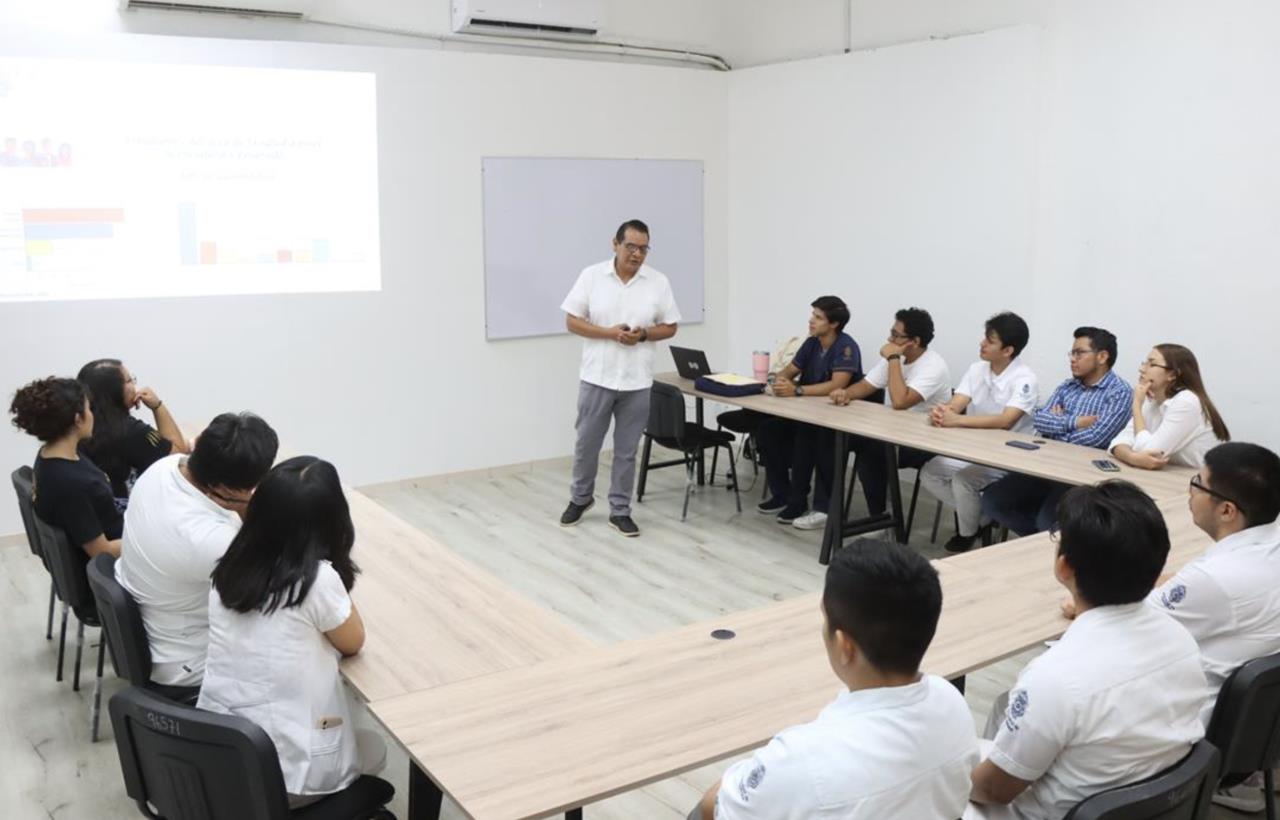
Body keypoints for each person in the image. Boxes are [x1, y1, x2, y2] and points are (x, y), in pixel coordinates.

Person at [965, 481, 1206, 820]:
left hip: (1055, 812)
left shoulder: (1055, 677)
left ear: (1064, 566)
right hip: (1140, 801)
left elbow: (993, 790)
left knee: (928, 779)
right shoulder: (1181, 639)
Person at [696, 540, 979, 820]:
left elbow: (715, 807)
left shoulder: (801, 759)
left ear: (846, 647)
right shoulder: (952, 702)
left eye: (825, 620)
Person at [197, 456, 385, 807]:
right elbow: (353, 642)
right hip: (288, 779)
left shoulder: (228, 569)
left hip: (221, 758)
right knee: (375, 747)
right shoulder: (315, 580)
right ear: (333, 522)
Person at [1146, 442, 1280, 813]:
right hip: (1254, 734)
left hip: (1184, 730)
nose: (1189, 491)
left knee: (1017, 702)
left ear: (1226, 510)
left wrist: (1080, 599)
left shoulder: (1216, 577)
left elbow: (1128, 617)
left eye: (1197, 483)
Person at [116, 412, 278, 688]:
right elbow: (271, 590)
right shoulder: (209, 540)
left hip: (156, 630)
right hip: (188, 664)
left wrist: (239, 501)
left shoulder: (163, 468)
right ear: (228, 489)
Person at [559, 219, 681, 537]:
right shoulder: (592, 276)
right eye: (631, 247)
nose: (637, 254)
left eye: (643, 249)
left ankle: (620, 510)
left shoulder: (658, 282)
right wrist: (609, 333)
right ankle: (580, 498)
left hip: (637, 381)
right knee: (587, 445)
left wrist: (642, 336)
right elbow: (572, 321)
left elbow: (670, 326)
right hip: (597, 377)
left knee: (627, 451)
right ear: (615, 244)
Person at [981, 326, 1132, 535]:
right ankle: (1045, 544)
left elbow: (1095, 438)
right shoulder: (1068, 386)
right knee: (992, 501)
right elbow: (1040, 420)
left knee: (1048, 522)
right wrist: (1076, 422)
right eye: (1072, 353)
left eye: (1079, 353)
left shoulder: (1120, 392)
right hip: (1047, 464)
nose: (1072, 359)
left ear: (1102, 356)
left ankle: (1049, 544)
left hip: (1081, 477)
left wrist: (1058, 423)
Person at [920, 312, 1038, 553]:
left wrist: (957, 421)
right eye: (985, 337)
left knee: (965, 481)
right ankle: (982, 519)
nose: (982, 343)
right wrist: (944, 412)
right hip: (972, 447)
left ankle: (967, 533)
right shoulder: (977, 369)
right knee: (930, 472)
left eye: (990, 340)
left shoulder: (1025, 379)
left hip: (1008, 455)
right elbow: (957, 402)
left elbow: (1006, 421)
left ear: (1008, 350)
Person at [828, 307, 952, 521]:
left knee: (872, 453)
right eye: (891, 332)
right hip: (890, 432)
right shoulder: (897, 357)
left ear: (914, 341)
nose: (889, 338)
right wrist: (845, 393)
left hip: (923, 439)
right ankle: (825, 507)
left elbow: (900, 402)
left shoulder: (933, 366)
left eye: (896, 335)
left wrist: (894, 357)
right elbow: (868, 385)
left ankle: (883, 519)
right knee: (832, 438)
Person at [755, 296, 862, 529]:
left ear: (833, 323)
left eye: (818, 317)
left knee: (812, 437)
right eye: (812, 315)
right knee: (768, 431)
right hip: (807, 411)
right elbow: (790, 370)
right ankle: (783, 494)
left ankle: (821, 508)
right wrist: (778, 380)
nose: (811, 321)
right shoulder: (812, 343)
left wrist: (798, 390)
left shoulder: (846, 347)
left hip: (836, 418)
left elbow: (838, 384)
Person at [10, 376, 121, 558]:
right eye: (89, 409)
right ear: (78, 419)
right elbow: (102, 552)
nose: (92, 415)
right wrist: (149, 539)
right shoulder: (71, 485)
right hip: (120, 563)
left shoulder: (50, 455)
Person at [77, 358, 189, 501]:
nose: (135, 385)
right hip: (128, 512)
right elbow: (176, 454)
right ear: (114, 391)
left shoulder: (79, 425)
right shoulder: (131, 431)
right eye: (129, 381)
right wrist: (157, 406)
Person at [1109, 344, 1229, 470]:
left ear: (1173, 374)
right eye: (1144, 363)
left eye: (1152, 364)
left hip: (1198, 480)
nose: (1142, 369)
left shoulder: (1187, 402)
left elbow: (1149, 451)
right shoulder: (1152, 400)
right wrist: (1132, 458)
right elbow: (1118, 442)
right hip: (1168, 475)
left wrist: (1136, 406)